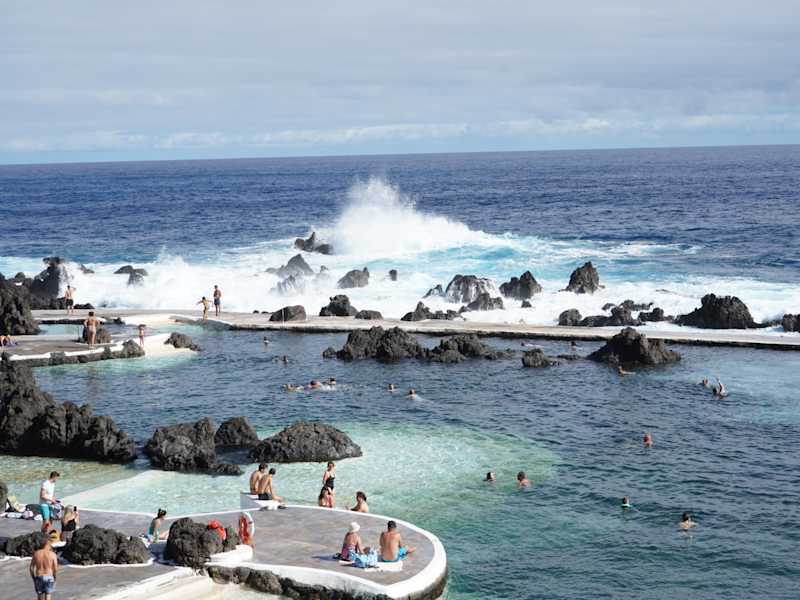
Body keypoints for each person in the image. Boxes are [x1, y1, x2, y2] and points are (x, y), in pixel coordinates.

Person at [29, 535, 58, 600]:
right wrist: (55, 577)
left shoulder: (36, 553)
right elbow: (55, 568)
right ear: (48, 544)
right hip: (49, 577)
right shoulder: (52, 554)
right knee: (48, 595)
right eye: (50, 544)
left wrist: (33, 577)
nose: (51, 546)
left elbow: (31, 567)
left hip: (39, 576)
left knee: (39, 596)